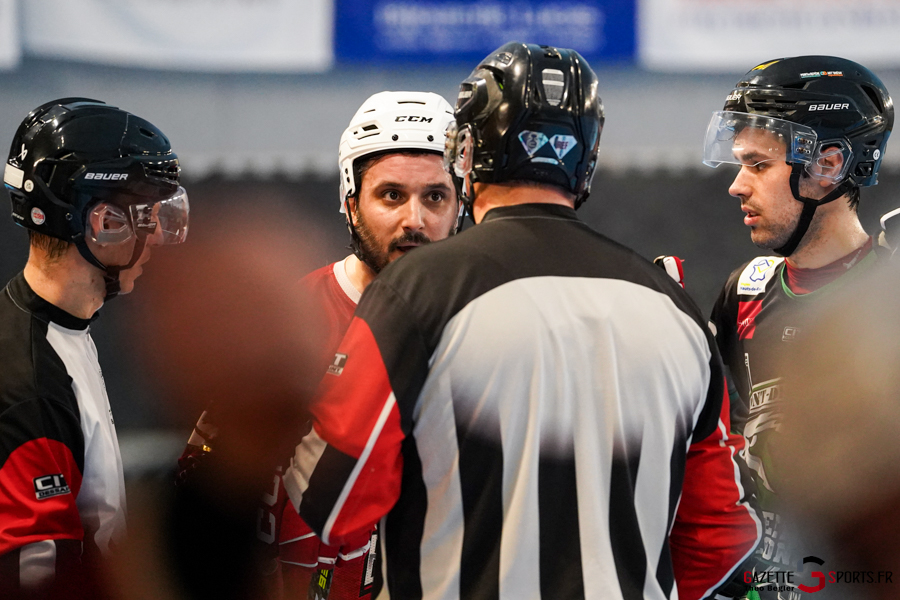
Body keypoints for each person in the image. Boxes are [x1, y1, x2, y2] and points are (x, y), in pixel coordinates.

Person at [282, 42, 760, 600]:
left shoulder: (416, 290)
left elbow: (332, 502)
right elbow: (721, 537)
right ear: (586, 159)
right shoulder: (676, 309)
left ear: (468, 156)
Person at [177, 90, 462, 599]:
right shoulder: (288, 321)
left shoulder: (481, 326)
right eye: (392, 195)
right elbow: (205, 473)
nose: (414, 220)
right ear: (351, 204)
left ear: (460, 206)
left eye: (435, 197)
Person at [703, 56, 894, 598]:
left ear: (829, 165)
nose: (737, 185)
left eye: (758, 166)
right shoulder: (743, 291)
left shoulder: (888, 303)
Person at [0, 98, 189, 597]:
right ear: (102, 223)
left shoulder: (52, 330)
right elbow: (37, 581)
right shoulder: (34, 386)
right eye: (146, 216)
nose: (154, 238)